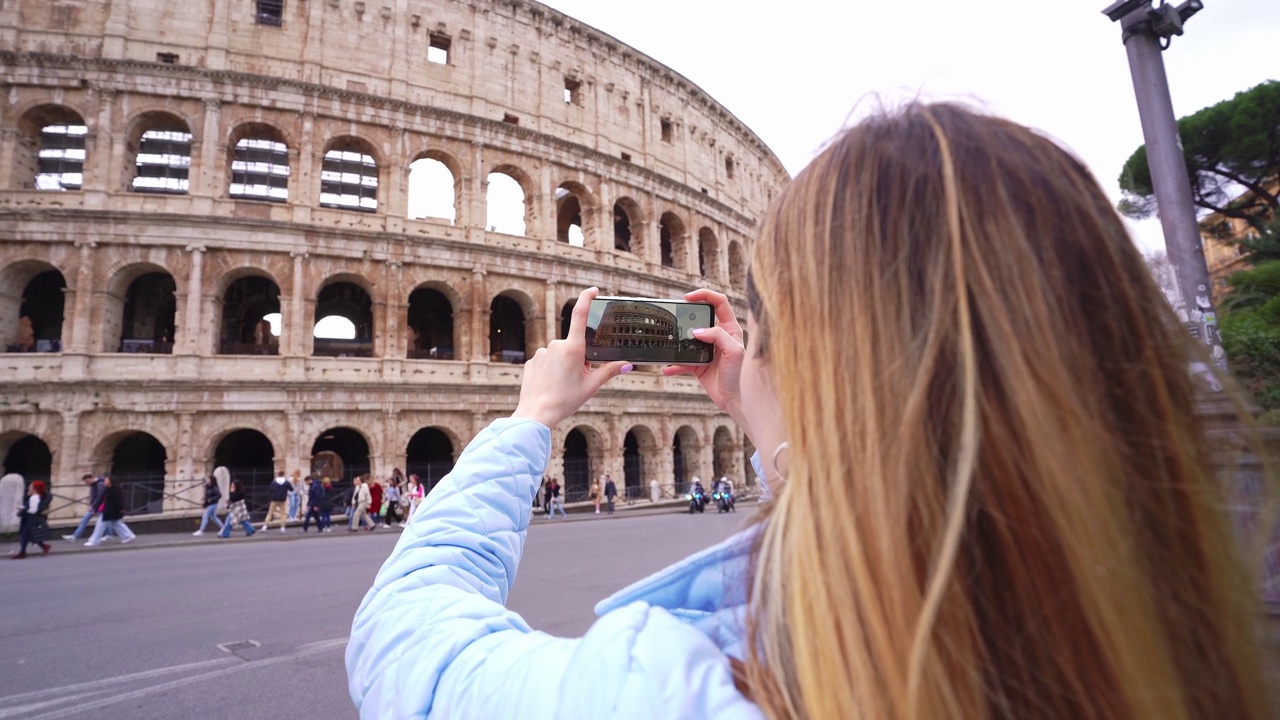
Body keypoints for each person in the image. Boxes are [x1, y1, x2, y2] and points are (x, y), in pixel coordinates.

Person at [345, 106, 1274, 719]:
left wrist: (531, 419)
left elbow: (406, 629)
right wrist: (778, 421)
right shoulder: (1209, 631)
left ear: (798, 364)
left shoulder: (679, 689)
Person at [84, 476, 136, 546]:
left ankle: (94, 540)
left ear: (110, 482)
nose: (104, 481)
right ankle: (128, 535)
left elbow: (119, 500)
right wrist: (95, 508)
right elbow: (101, 500)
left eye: (106, 480)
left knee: (100, 526)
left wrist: (122, 508)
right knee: (116, 523)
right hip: (109, 510)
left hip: (110, 511)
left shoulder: (114, 490)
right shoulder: (107, 489)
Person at [11, 480, 52, 558]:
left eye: (31, 487)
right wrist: (23, 507)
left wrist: (24, 509)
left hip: (31, 520)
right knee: (31, 535)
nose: (29, 488)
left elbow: (33, 510)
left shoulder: (34, 498)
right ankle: (44, 546)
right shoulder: (36, 497)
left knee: (25, 535)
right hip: (33, 519)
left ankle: (22, 552)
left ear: (35, 489)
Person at [64, 474, 110, 542]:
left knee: (104, 521)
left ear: (92, 478)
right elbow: (95, 496)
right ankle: (75, 536)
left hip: (100, 506)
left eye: (88, 481)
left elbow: (99, 497)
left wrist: (93, 506)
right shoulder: (94, 484)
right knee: (103, 521)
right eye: (86, 482)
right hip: (97, 506)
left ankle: (109, 535)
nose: (87, 483)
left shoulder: (99, 484)